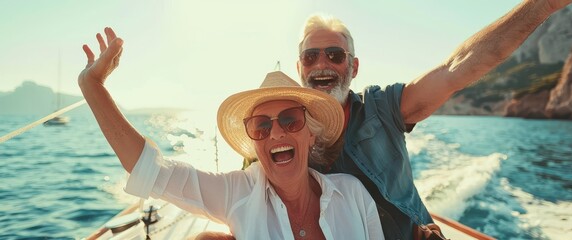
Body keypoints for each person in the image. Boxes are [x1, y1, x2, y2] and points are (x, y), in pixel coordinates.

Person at [294, 0, 572, 239]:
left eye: (334, 55)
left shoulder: (381, 107)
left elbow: (455, 68)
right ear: (299, 68)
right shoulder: (284, 133)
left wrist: (542, 5)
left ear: (353, 67)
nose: (322, 64)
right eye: (310, 57)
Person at [78, 27, 384, 239]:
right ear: (253, 139)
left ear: (311, 134)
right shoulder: (238, 193)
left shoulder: (353, 194)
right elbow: (149, 169)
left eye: (290, 120)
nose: (275, 133)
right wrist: (93, 86)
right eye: (261, 125)